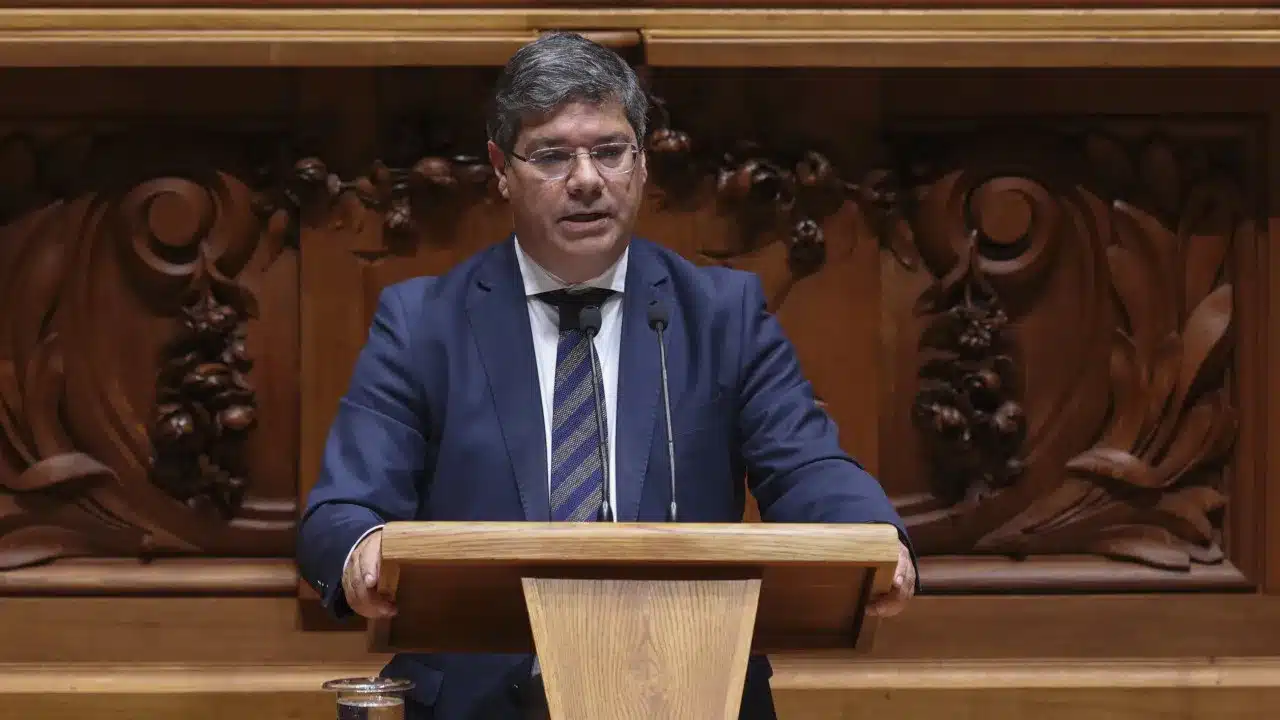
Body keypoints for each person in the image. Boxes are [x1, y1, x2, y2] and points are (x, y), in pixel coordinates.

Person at [297, 31, 918, 720]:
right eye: (552, 155)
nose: (587, 179)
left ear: (642, 162)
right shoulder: (423, 323)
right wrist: (361, 551)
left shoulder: (722, 314)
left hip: (690, 691)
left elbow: (807, 467)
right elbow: (341, 511)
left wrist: (875, 539)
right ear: (501, 168)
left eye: (610, 151)